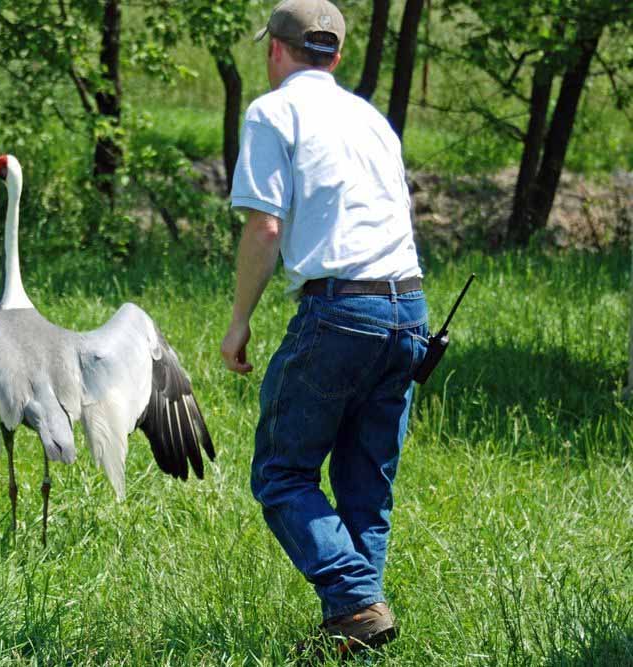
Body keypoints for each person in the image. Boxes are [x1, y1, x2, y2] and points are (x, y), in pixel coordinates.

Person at [220, 0, 429, 659]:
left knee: (282, 472)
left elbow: (266, 227)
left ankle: (353, 597)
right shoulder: (371, 120)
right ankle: (356, 631)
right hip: (409, 308)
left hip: (340, 309)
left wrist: (238, 323)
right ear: (335, 56)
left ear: (274, 51)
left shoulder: (273, 110)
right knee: (366, 479)